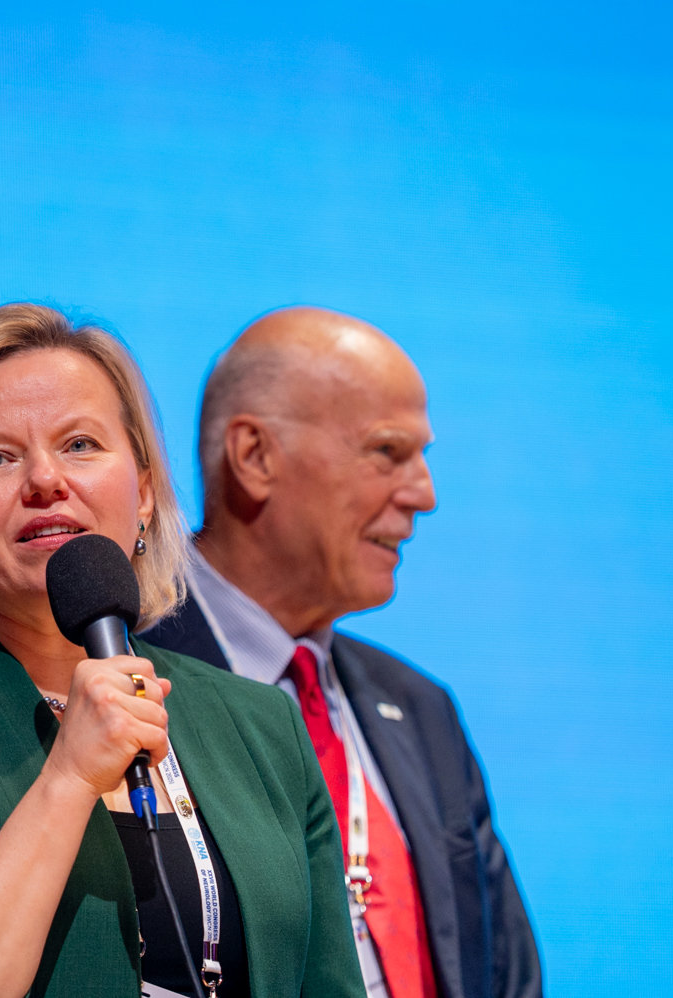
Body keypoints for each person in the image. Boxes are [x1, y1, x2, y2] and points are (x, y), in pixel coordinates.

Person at [0, 303, 366, 998]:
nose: (45, 480)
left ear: (145, 492)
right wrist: (68, 777)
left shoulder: (262, 725)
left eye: (80, 444)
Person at [140, 307, 543, 998]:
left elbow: (504, 972)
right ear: (255, 457)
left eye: (421, 457)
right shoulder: (122, 683)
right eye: (387, 452)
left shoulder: (422, 710)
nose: (424, 495)